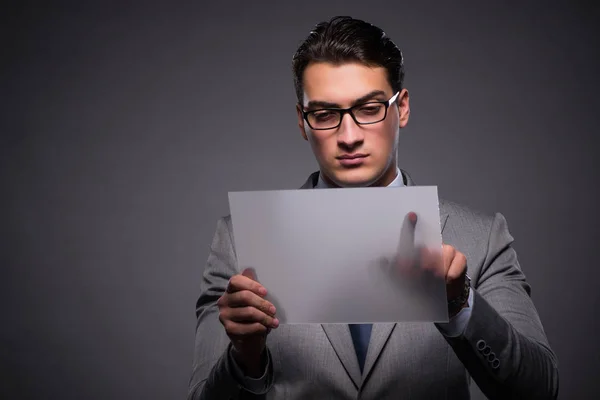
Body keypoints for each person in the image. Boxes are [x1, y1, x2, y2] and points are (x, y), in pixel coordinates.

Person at [187, 16, 559, 400]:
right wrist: (245, 358)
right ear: (302, 122)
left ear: (402, 108)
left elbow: (539, 389)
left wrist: (459, 304)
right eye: (325, 114)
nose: (349, 137)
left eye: (369, 108)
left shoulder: (481, 237)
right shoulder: (240, 241)